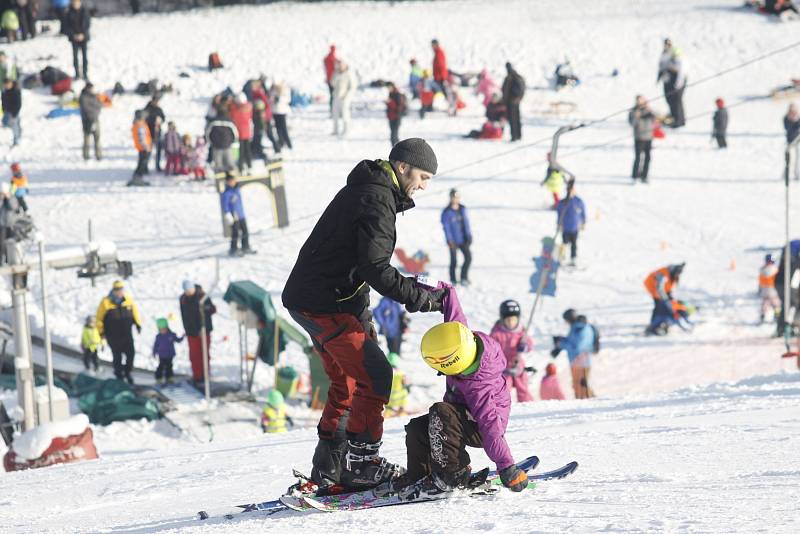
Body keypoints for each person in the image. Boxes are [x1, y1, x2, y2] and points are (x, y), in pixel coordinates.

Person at [282, 137, 444, 490]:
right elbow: (375, 268)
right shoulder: (377, 199)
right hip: (323, 303)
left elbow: (354, 266)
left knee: (348, 381)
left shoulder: (371, 190)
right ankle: (362, 465)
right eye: (422, 177)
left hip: (316, 298)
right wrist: (420, 298)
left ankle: (328, 468)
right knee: (376, 376)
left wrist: (363, 318)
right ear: (402, 168)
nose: (424, 186)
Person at [380, 285, 529, 499]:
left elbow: (491, 426)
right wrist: (443, 289)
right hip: (460, 419)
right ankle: (419, 475)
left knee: (441, 412)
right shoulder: (462, 341)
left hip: (480, 427)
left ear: (454, 364)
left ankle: (454, 475)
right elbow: (454, 316)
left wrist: (506, 466)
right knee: (418, 428)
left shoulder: (480, 385)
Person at [95, 280, 142, 384]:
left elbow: (135, 312)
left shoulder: (128, 300)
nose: (120, 291)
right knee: (117, 356)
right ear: (113, 290)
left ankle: (128, 372)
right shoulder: (106, 302)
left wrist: (138, 324)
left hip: (127, 334)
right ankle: (119, 375)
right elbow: (99, 318)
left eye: (121, 289)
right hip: (113, 335)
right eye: (117, 289)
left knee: (131, 354)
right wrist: (101, 332)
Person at [490, 299, 534, 403]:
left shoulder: (521, 331)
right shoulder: (497, 333)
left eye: (513, 320)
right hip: (503, 367)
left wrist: (525, 346)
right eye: (508, 320)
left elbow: (530, 344)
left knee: (522, 385)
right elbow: (490, 347)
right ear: (502, 319)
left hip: (517, 364)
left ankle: (527, 404)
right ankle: (502, 405)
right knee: (504, 388)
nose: (511, 323)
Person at [551, 309, 595, 399]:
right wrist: (562, 340)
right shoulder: (576, 327)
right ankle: (584, 403)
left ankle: (590, 403)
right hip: (577, 361)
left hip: (581, 361)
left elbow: (577, 347)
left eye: (566, 320)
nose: (566, 322)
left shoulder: (580, 328)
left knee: (581, 385)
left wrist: (561, 343)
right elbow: (572, 342)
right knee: (577, 385)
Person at [179, 280, 217, 384]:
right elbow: (184, 315)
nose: (188, 293)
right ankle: (197, 376)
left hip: (204, 331)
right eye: (186, 291)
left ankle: (205, 375)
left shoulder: (202, 296)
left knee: (204, 354)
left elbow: (212, 309)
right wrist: (187, 329)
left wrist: (205, 308)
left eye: (189, 290)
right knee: (194, 355)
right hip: (191, 332)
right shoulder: (183, 299)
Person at [441, 188, 472, 286]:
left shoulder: (462, 209)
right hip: (453, 241)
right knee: (454, 261)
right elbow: (446, 228)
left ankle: (464, 277)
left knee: (468, 258)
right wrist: (450, 240)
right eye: (454, 197)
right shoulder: (447, 212)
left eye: (457, 197)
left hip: (463, 239)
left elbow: (466, 223)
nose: (455, 199)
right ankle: (453, 280)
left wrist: (469, 235)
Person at [644, 263, 685, 335]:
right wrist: (665, 298)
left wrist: (668, 296)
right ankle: (653, 327)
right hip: (654, 290)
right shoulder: (664, 275)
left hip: (658, 291)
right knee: (660, 307)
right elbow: (659, 288)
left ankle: (657, 324)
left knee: (661, 307)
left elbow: (667, 287)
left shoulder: (670, 273)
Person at [221, 173, 254, 256]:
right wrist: (228, 214)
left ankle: (245, 247)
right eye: (230, 181)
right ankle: (233, 249)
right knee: (235, 232)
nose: (232, 182)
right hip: (234, 215)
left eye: (233, 180)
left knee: (245, 231)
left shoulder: (237, 189)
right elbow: (225, 205)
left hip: (241, 214)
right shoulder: (226, 193)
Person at [657, 40, 687, 128]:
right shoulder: (664, 54)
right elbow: (662, 66)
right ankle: (673, 117)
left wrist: (678, 84)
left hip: (676, 81)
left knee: (676, 101)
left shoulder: (676, 54)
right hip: (668, 80)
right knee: (669, 99)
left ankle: (679, 120)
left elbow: (681, 71)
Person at [556, 186, 586, 267]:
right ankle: (561, 258)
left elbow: (583, 212)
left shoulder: (578, 201)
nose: (571, 192)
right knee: (564, 244)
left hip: (575, 227)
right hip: (566, 227)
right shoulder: (563, 202)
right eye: (569, 190)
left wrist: (583, 222)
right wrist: (559, 224)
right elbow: (559, 214)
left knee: (574, 244)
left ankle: (573, 259)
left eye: (572, 190)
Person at [775, 240, 800, 337]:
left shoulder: (786, 261)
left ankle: (783, 328)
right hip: (786, 285)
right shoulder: (793, 261)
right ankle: (789, 326)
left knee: (787, 305)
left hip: (781, 283)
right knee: (792, 303)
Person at [629, 95, 655, 183]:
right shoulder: (633, 111)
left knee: (647, 158)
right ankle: (635, 176)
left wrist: (650, 111)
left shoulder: (649, 111)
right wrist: (637, 116)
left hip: (648, 138)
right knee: (638, 158)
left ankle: (644, 176)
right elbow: (632, 123)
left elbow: (656, 120)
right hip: (639, 138)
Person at [152, 317, 184, 385]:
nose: (163, 331)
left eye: (164, 329)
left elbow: (178, 340)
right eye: (161, 329)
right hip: (162, 355)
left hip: (170, 355)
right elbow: (155, 345)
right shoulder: (158, 337)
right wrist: (154, 352)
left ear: (167, 328)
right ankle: (159, 377)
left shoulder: (171, 335)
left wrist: (182, 337)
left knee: (169, 366)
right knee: (161, 366)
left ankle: (169, 377)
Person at [63, 0, 90, 80]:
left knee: (84, 56)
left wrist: (83, 34)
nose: (76, 4)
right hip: (74, 38)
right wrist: (73, 35)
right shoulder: (68, 12)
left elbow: (87, 24)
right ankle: (77, 74)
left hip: (83, 37)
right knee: (75, 57)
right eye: (74, 3)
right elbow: (67, 26)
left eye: (77, 2)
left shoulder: (84, 11)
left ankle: (85, 74)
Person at [331, 60, 356, 138]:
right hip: (336, 96)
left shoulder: (349, 74)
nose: (340, 67)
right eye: (339, 65)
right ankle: (335, 130)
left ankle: (346, 130)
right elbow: (332, 83)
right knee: (335, 113)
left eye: (342, 65)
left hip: (345, 98)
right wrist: (336, 75)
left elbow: (352, 86)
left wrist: (347, 96)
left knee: (345, 113)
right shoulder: (336, 73)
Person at [230, 93, 253, 174]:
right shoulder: (248, 108)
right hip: (247, 132)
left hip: (239, 133)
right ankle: (249, 166)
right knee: (247, 150)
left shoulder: (235, 109)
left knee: (241, 151)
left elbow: (232, 115)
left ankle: (241, 167)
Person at [502, 62, 525, 142]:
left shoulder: (512, 77)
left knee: (513, 120)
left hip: (512, 102)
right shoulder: (516, 77)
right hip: (515, 102)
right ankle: (517, 135)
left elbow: (507, 90)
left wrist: (512, 99)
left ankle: (515, 136)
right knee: (516, 119)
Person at [79, 82, 102, 160]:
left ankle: (98, 155)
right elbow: (85, 109)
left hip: (96, 120)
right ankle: (86, 156)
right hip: (87, 121)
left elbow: (99, 105)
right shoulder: (83, 97)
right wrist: (93, 113)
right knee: (87, 139)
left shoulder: (95, 96)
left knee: (97, 139)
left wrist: (95, 113)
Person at [431, 39, 454, 115]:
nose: (431, 47)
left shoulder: (439, 53)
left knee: (446, 93)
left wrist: (444, 78)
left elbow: (442, 66)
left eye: (432, 45)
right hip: (438, 77)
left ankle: (452, 108)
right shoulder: (437, 53)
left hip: (441, 78)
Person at [130, 110, 152, 186]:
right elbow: (142, 138)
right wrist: (146, 147)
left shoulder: (137, 124)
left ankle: (137, 178)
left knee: (141, 164)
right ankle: (137, 179)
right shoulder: (140, 125)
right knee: (142, 165)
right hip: (144, 148)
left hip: (141, 148)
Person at [144, 95, 165, 172]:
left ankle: (157, 165)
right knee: (148, 152)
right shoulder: (147, 109)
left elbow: (163, 118)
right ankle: (145, 167)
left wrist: (160, 120)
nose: (156, 103)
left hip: (158, 133)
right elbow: (144, 119)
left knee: (158, 151)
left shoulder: (159, 109)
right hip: (149, 133)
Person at [759, 254, 781, 324]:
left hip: (766, 291)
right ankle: (775, 317)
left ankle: (764, 316)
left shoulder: (762, 269)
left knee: (770, 305)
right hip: (772, 291)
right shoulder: (774, 269)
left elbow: (760, 282)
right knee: (775, 305)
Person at [271, 81, 292, 151]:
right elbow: (270, 99)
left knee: (284, 128)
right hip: (275, 111)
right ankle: (281, 142)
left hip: (282, 112)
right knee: (278, 129)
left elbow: (288, 99)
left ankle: (289, 143)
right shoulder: (273, 90)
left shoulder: (285, 90)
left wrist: (279, 99)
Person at [1, 78, 21, 147]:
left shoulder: (15, 91)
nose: (6, 86)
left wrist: (14, 115)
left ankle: (16, 141)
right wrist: (3, 110)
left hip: (14, 111)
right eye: (5, 84)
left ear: (11, 84)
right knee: (4, 123)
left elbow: (18, 104)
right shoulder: (4, 91)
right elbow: (3, 101)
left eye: (8, 84)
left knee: (14, 126)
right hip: (7, 111)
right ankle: (19, 131)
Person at [785, 104, 799, 181]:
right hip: (789, 141)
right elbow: (787, 128)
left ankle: (796, 174)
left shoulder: (798, 118)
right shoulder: (786, 118)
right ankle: (785, 173)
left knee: (797, 159)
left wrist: (796, 120)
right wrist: (791, 120)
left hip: (797, 141)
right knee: (788, 158)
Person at [324, 45, 337, 114]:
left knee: (332, 95)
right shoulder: (333, 58)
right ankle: (333, 110)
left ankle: (332, 110)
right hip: (333, 80)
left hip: (329, 79)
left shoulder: (327, 58)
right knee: (333, 95)